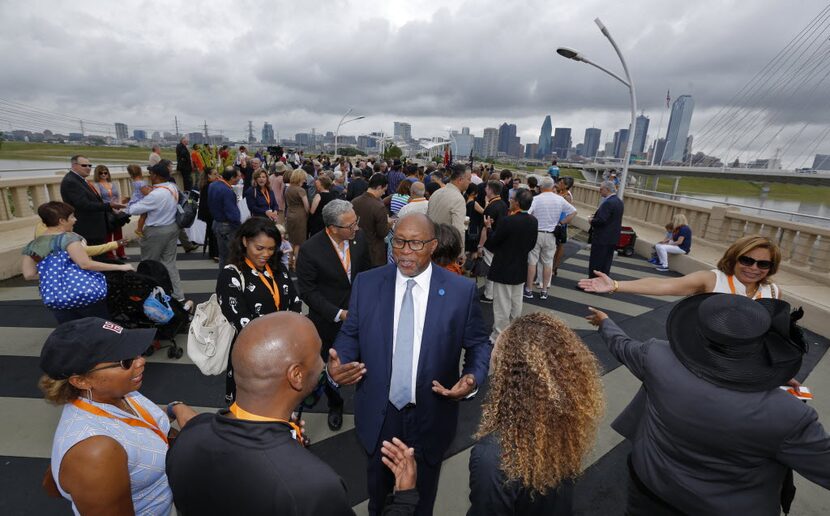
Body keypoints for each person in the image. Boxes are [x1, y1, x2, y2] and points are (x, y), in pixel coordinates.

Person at [585, 294, 828, 515]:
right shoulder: (789, 414)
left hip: (649, 486)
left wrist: (605, 321)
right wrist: (765, 376)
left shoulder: (657, 356)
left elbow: (621, 345)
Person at [166, 312, 419, 515]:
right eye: (319, 354)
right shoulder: (314, 487)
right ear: (296, 375)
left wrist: (285, 442)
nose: (324, 362)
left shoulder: (189, 434)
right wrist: (404, 498)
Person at [329, 213, 492, 516]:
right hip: (380, 416)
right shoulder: (367, 283)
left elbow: (479, 344)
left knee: (421, 501)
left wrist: (472, 377)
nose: (404, 251)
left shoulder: (460, 291)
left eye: (415, 243)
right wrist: (337, 366)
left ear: (433, 245)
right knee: (378, 498)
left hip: (431, 415)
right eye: (399, 241)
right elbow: (349, 335)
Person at [40, 317, 196, 515]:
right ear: (81, 381)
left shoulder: (119, 394)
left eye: (136, 352)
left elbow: (140, 427)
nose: (141, 361)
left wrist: (176, 409)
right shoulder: (95, 453)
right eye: (126, 361)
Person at [469, 312, 604, 516]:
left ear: (510, 373)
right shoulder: (560, 420)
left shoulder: (493, 456)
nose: (493, 351)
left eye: (497, 348)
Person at [296, 200, 371, 431]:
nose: (356, 228)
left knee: (366, 362)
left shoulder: (360, 238)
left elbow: (367, 273)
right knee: (330, 365)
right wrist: (338, 313)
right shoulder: (310, 250)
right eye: (350, 225)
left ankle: (368, 403)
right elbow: (307, 291)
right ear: (332, 228)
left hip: (362, 314)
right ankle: (335, 404)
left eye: (356, 221)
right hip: (328, 320)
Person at [216, 217, 301, 404]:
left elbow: (295, 301)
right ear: (245, 242)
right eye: (259, 248)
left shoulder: (278, 269)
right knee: (252, 411)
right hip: (252, 356)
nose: (266, 254)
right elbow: (240, 321)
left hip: (285, 352)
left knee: (283, 404)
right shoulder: (231, 275)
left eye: (271, 249)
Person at [22, 202, 132, 323]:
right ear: (62, 221)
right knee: (99, 328)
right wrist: (121, 267)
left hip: (56, 299)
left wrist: (57, 274)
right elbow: (85, 264)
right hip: (84, 294)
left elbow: (29, 275)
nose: (75, 220)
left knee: (72, 331)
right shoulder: (68, 238)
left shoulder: (32, 245)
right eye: (72, 217)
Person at [579, 235, 783, 299]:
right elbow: (664, 286)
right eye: (746, 260)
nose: (754, 268)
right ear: (734, 258)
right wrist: (616, 285)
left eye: (763, 264)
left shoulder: (772, 292)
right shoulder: (712, 280)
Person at [125, 160, 186, 301]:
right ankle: (178, 295)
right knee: (169, 263)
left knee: (148, 263)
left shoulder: (156, 194)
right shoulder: (172, 187)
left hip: (156, 231)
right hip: (172, 227)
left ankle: (146, 295)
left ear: (156, 176)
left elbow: (132, 209)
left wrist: (133, 199)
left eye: (151, 173)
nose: (149, 175)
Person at [484, 189, 538, 343]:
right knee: (516, 303)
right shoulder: (533, 221)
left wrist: (488, 227)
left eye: (512, 199)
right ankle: (514, 332)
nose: (510, 201)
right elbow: (531, 245)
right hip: (520, 266)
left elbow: (494, 241)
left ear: (517, 202)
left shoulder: (508, 221)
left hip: (503, 266)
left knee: (502, 304)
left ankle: (499, 335)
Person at [525, 176, 576, 299]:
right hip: (552, 234)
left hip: (536, 233)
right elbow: (573, 211)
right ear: (553, 186)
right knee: (548, 263)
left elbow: (528, 214)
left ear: (541, 187)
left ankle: (529, 289)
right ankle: (544, 290)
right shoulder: (559, 199)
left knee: (532, 262)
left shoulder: (536, 199)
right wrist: (562, 222)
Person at [60, 155, 122, 247]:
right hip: (88, 229)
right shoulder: (71, 181)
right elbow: (83, 204)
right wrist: (109, 205)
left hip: (95, 228)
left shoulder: (80, 180)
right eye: (84, 165)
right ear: (74, 165)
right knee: (97, 256)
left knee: (101, 255)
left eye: (90, 165)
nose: (88, 168)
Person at [477, 180, 508, 303]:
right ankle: (494, 293)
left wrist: (480, 245)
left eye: (487, 188)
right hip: (500, 241)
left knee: (488, 269)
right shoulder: (503, 204)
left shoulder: (491, 207)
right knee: (495, 267)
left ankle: (488, 294)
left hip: (490, 242)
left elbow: (485, 228)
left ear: (490, 190)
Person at [426, 163, 471, 246]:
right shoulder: (458, 199)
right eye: (469, 179)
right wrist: (460, 253)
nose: (470, 182)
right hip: (446, 247)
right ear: (460, 180)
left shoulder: (436, 192)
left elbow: (427, 217)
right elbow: (458, 230)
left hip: (430, 242)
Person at [352, 173, 390, 267]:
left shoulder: (354, 201)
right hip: (374, 252)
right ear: (379, 187)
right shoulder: (379, 206)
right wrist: (388, 223)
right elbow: (382, 232)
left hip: (356, 248)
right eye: (384, 190)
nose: (384, 193)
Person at [208, 166, 243, 269]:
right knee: (232, 256)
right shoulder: (227, 191)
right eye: (238, 177)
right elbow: (232, 214)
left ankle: (223, 277)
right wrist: (239, 227)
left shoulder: (213, 185)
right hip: (227, 226)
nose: (239, 179)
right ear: (232, 177)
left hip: (217, 223)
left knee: (223, 256)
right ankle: (230, 278)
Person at [587, 181, 624, 278]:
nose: (599, 191)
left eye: (601, 189)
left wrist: (591, 220)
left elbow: (601, 220)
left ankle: (593, 281)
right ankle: (603, 280)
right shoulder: (619, 202)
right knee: (606, 262)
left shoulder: (608, 203)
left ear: (607, 189)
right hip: (612, 237)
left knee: (596, 261)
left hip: (602, 237)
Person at [93, 164, 128, 260]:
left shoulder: (113, 184)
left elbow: (118, 196)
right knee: (108, 234)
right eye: (101, 173)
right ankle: (110, 254)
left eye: (105, 172)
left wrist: (120, 207)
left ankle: (121, 252)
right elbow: (99, 199)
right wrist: (111, 208)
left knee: (118, 233)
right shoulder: (97, 185)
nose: (104, 174)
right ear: (97, 174)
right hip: (107, 211)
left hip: (117, 210)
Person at [285, 168, 311, 263]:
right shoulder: (301, 190)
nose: (304, 180)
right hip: (300, 216)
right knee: (299, 242)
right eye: (304, 178)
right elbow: (307, 206)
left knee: (291, 240)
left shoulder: (288, 188)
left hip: (290, 213)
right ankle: (297, 264)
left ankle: (290, 261)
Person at [552, 176, 575, 274]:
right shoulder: (560, 193)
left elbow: (568, 211)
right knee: (554, 246)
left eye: (561, 183)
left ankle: (555, 267)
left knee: (560, 246)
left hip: (561, 224)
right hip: (555, 222)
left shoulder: (567, 196)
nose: (558, 184)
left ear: (566, 185)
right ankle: (552, 266)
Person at [198, 167, 219, 261]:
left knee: (212, 232)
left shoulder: (207, 185)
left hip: (207, 212)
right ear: (209, 176)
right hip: (210, 213)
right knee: (214, 233)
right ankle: (215, 253)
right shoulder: (209, 186)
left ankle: (213, 252)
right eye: (215, 174)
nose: (217, 176)